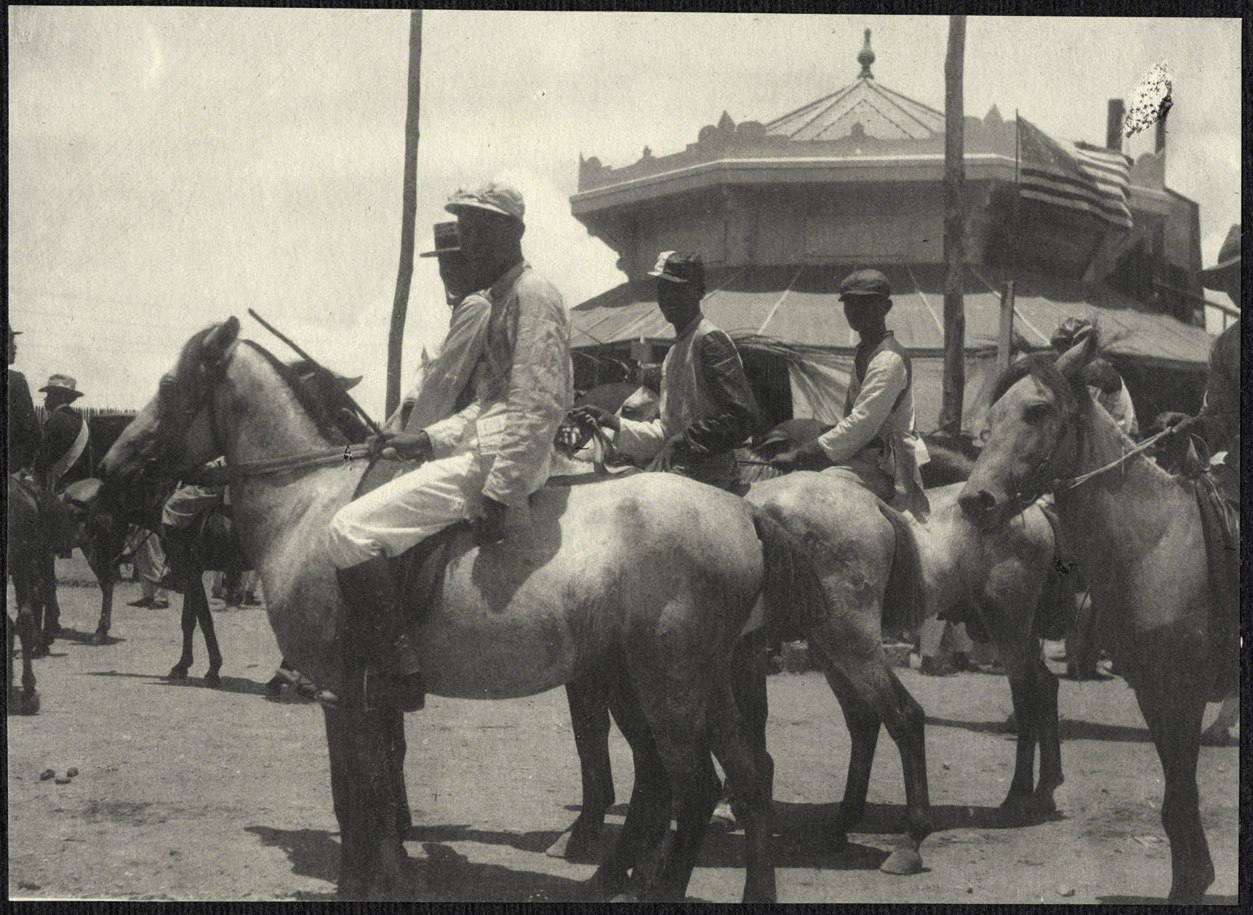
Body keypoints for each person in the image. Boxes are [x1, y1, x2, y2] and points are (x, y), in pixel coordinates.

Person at [325, 182, 573, 710]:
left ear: (514, 235)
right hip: (490, 449)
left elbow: (538, 400)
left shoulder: (532, 295)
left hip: (502, 463)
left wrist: (502, 489)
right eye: (466, 234)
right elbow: (491, 404)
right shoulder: (504, 296)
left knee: (348, 530)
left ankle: (396, 668)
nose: (470, 248)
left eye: (481, 234)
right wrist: (424, 440)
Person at [570, 251, 759, 490]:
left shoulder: (709, 340)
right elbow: (666, 433)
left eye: (678, 289)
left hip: (711, 478)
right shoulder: (675, 351)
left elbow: (743, 418)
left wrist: (685, 441)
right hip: (678, 469)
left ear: (699, 291)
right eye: (663, 289)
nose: (668, 297)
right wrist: (611, 421)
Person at [1160, 222, 1240, 746]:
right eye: (1231, 280)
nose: (1236, 288)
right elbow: (1219, 420)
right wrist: (1188, 428)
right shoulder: (1227, 345)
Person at [771, 268, 930, 520]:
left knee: (819, 492)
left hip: (889, 466)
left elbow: (862, 424)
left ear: (886, 307)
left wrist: (803, 454)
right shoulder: (865, 351)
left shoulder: (888, 358)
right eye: (850, 304)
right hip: (865, 456)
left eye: (867, 303)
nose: (857, 310)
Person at [387, 220, 492, 434]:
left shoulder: (476, 306)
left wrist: (411, 437)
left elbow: (445, 382)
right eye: (443, 264)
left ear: (473, 263)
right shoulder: (469, 306)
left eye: (456, 263)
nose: (447, 273)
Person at [31, 373, 92, 642]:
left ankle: (48, 619)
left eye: (49, 395)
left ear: (58, 398)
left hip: (53, 493)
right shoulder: (82, 423)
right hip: (80, 490)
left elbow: (40, 462)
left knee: (39, 557)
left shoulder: (54, 421)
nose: (45, 399)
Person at [1050, 317, 1138, 438]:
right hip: (1104, 436)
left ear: (1079, 345)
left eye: (1062, 348)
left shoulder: (1095, 371)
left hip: (1115, 444)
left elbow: (1084, 419)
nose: (1059, 355)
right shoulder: (1086, 370)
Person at [7, 326, 41, 475]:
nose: (15, 347)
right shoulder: (15, 380)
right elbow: (31, 431)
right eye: (10, 340)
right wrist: (24, 467)